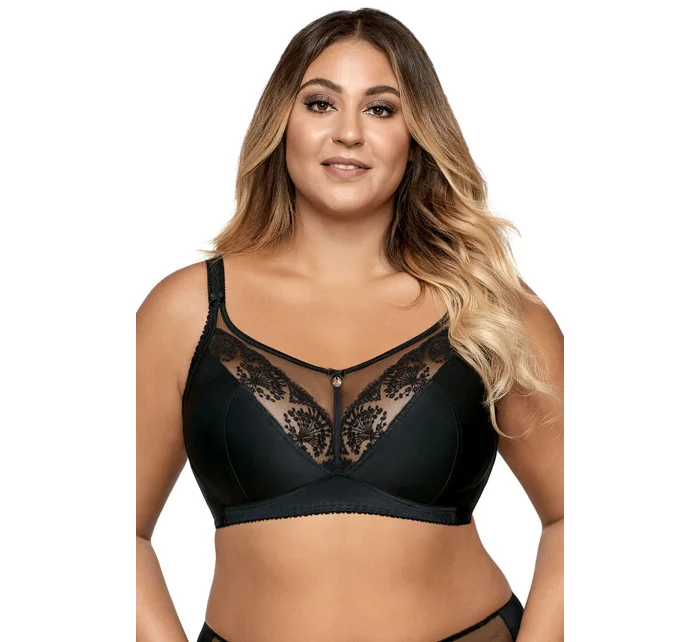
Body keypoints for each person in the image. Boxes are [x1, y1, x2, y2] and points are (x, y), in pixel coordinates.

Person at [136, 8, 564, 642]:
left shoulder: (488, 307)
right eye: (320, 104)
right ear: (281, 124)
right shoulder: (185, 309)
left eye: (381, 109)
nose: (348, 133)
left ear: (417, 136)